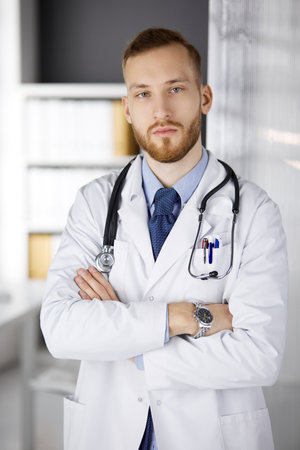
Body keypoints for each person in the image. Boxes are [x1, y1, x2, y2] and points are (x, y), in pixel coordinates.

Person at [41, 28, 288, 450]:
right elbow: (61, 330)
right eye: (142, 94)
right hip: (108, 429)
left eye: (175, 88)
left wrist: (127, 340)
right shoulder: (95, 202)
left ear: (204, 97)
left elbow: (260, 355)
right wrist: (183, 317)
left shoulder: (255, 210)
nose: (160, 110)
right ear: (126, 108)